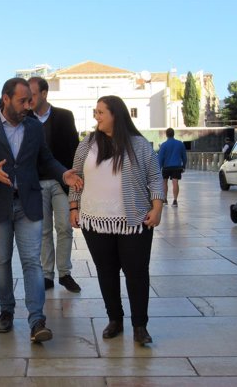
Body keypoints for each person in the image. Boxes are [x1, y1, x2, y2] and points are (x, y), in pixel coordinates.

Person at [0, 77, 83, 343]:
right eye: (22, 100)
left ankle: (37, 319)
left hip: (28, 203)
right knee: (2, 262)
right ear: (6, 99)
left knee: (32, 262)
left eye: (30, 99)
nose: (28, 105)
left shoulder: (34, 127)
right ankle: (6, 311)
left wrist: (64, 175)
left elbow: (46, 159)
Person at [69, 95, 163, 346]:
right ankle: (115, 319)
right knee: (107, 272)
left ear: (116, 115)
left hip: (134, 220)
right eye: (95, 111)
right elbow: (76, 176)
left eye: (101, 112)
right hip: (95, 221)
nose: (96, 116)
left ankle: (140, 326)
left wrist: (158, 207)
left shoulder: (139, 144)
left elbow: (155, 176)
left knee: (136, 273)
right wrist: (73, 206)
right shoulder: (87, 143)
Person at [27, 77, 81, 293]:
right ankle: (47, 275)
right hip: (36, 183)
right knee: (43, 231)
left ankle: (65, 274)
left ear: (44, 93)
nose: (28, 99)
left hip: (61, 182)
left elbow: (74, 148)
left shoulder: (64, 116)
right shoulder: (25, 119)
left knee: (65, 227)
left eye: (32, 94)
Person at [157, 128, 187, 207]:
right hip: (177, 166)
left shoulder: (163, 145)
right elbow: (184, 156)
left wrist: (159, 168)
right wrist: (183, 165)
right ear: (174, 134)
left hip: (166, 167)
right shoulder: (180, 143)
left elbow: (160, 158)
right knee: (175, 182)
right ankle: (175, 200)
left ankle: (165, 199)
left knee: (164, 182)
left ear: (166, 135)